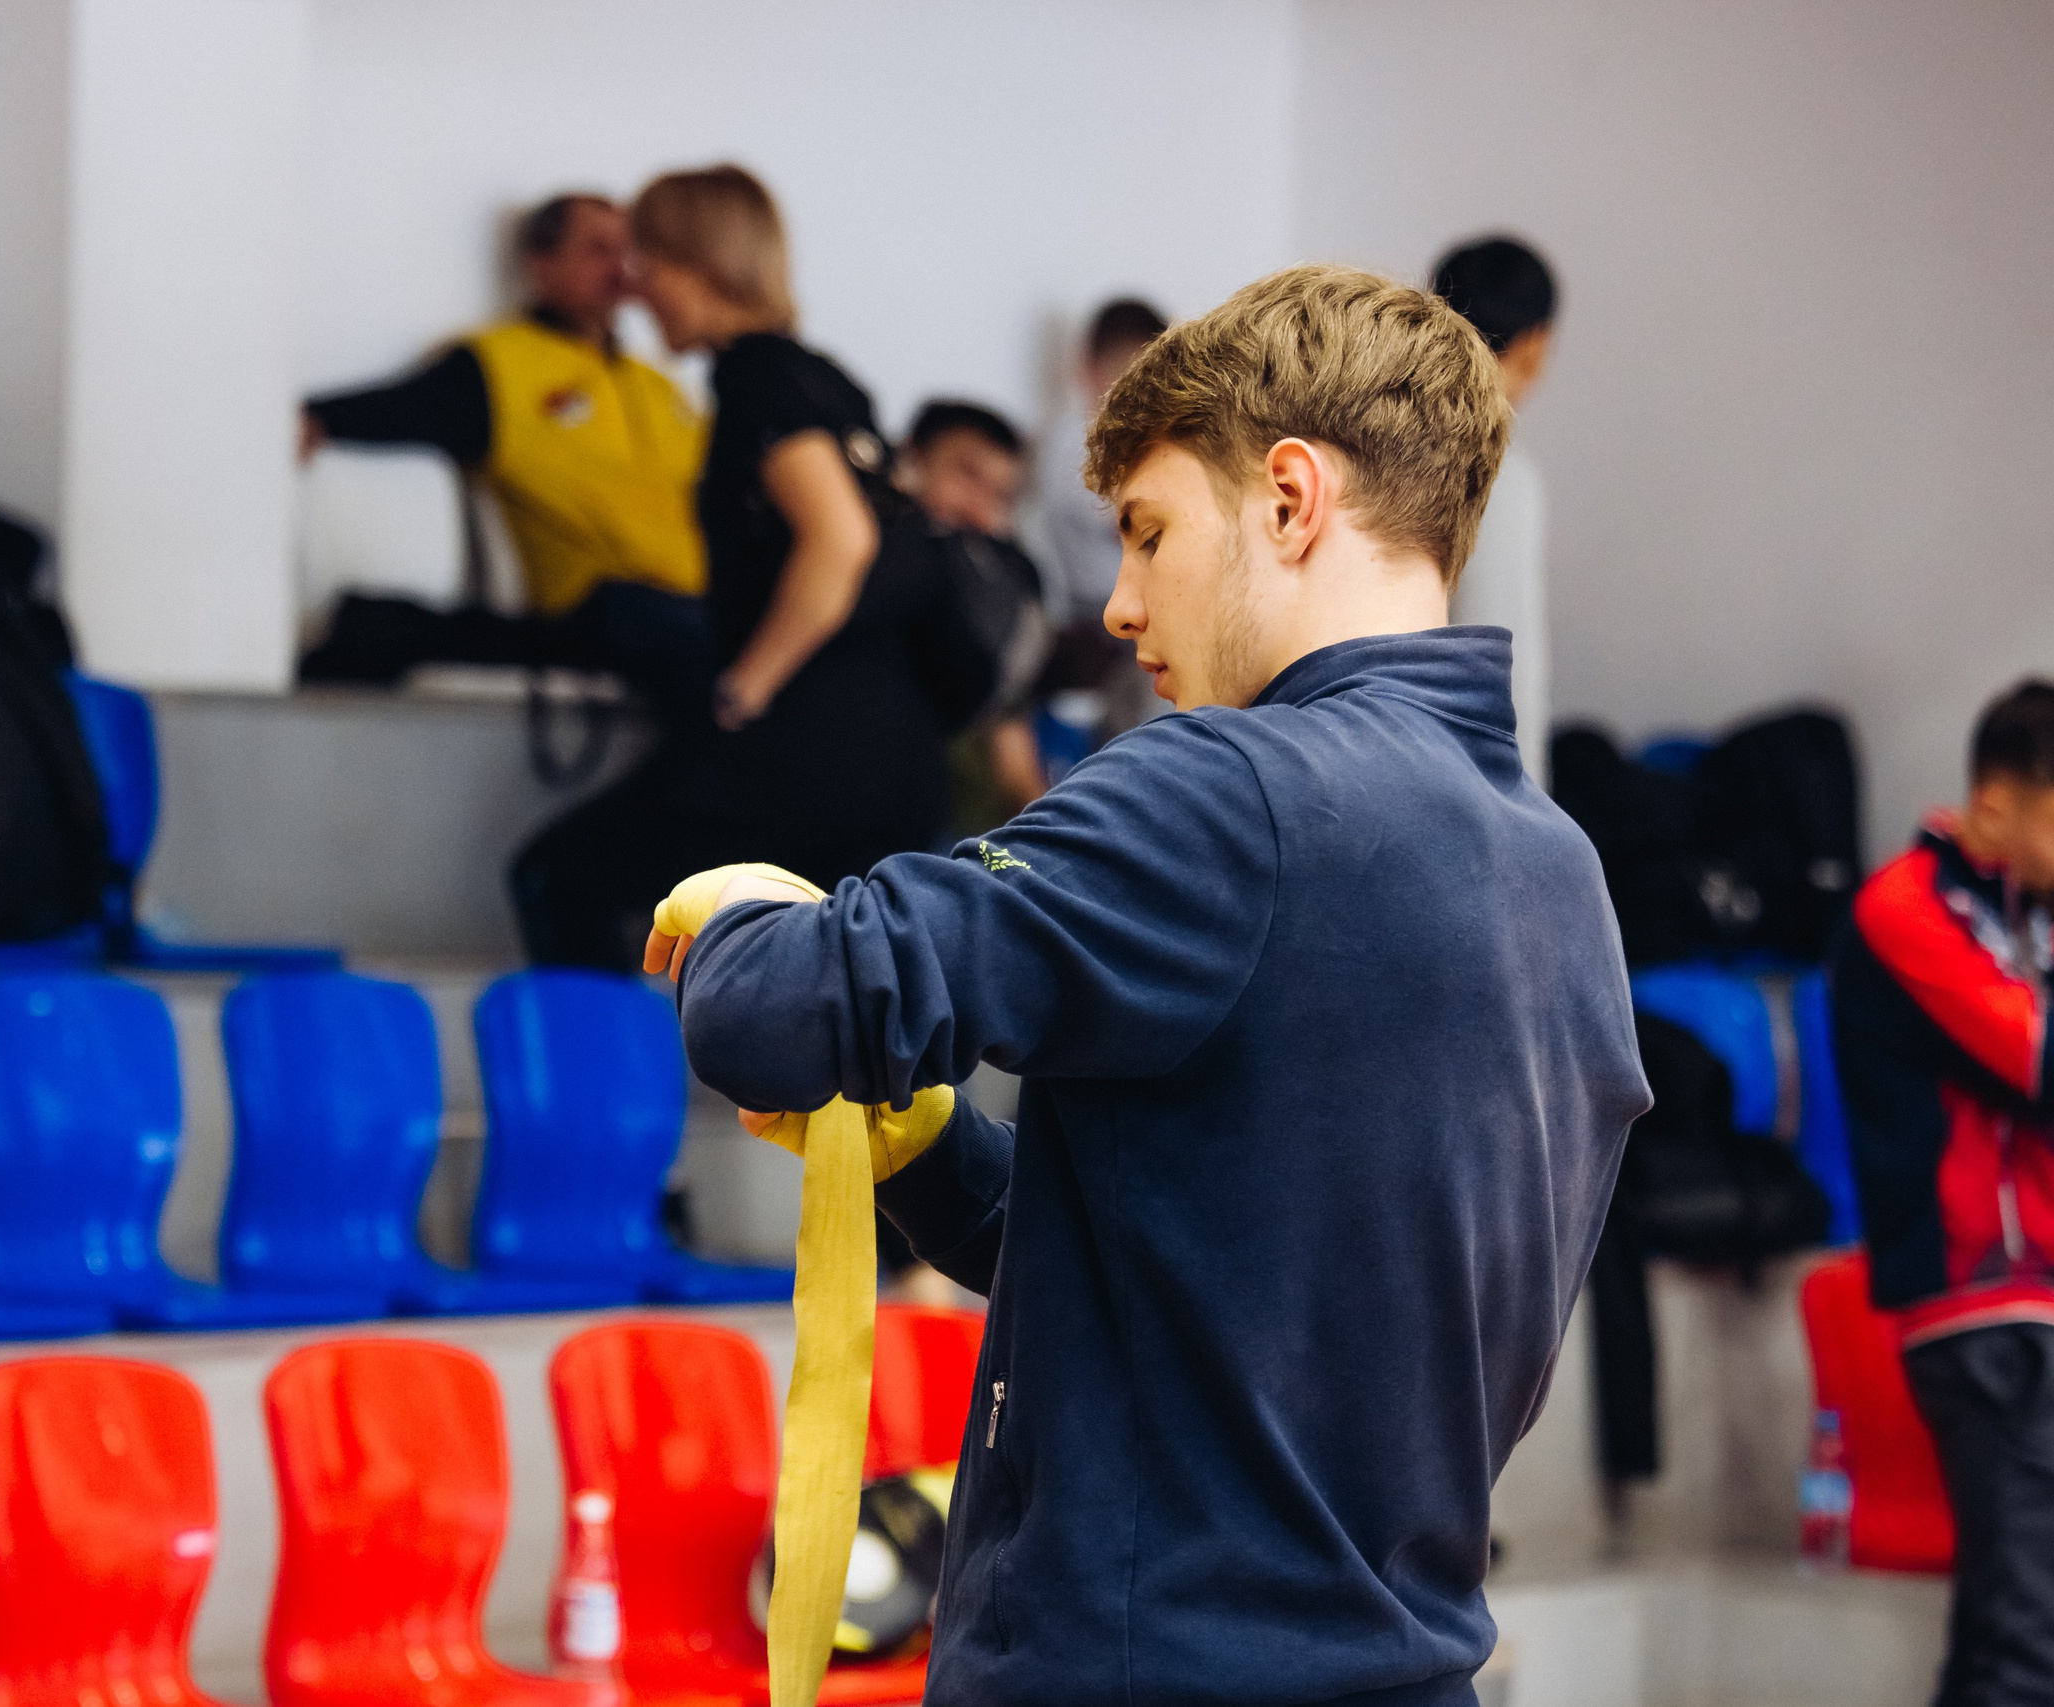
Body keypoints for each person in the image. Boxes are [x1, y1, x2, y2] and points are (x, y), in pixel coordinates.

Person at [646, 264, 1648, 1705]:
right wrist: (928, 1151)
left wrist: (736, 910)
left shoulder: (1230, 786)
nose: (1117, 605)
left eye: (1148, 530)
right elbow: (1210, 1280)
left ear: (1291, 498)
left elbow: (777, 1007)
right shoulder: (1555, 869)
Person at [506, 166, 965, 970]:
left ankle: (608, 1093)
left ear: (693, 264)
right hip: (896, 759)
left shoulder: (755, 379)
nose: (637, 292)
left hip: (810, 752)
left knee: (559, 877)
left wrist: (744, 687)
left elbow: (840, 538)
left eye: (646, 265)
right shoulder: (823, 377)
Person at [1830, 679, 2054, 1707]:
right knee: (2027, 1644)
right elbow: (2037, 1061)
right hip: (1975, 1305)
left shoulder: (2034, 920)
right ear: (1998, 805)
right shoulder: (1903, 909)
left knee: (1998, 1636)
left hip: (2034, 1301)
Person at [298, 192, 711, 720]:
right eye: (596, 250)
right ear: (539, 263)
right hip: (604, 611)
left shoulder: (665, 388)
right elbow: (395, 409)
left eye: (627, 253)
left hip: (699, 611)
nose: (620, 270)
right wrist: (310, 421)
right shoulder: (498, 368)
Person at [1432, 236, 1557, 785]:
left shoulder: (1387, 449)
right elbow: (1502, 663)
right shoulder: (1498, 474)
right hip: (1478, 783)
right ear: (1533, 348)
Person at [897, 399, 1052, 831]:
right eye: (966, 474)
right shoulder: (855, 556)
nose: (978, 509)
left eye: (1001, 497)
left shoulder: (1007, 582)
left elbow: (1010, 725)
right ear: (910, 458)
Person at [1025, 297, 1171, 746]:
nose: (1136, 396)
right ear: (1085, 368)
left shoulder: (1140, 449)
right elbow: (1145, 524)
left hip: (1134, 621)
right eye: (1121, 376)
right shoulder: (1073, 444)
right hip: (1098, 625)